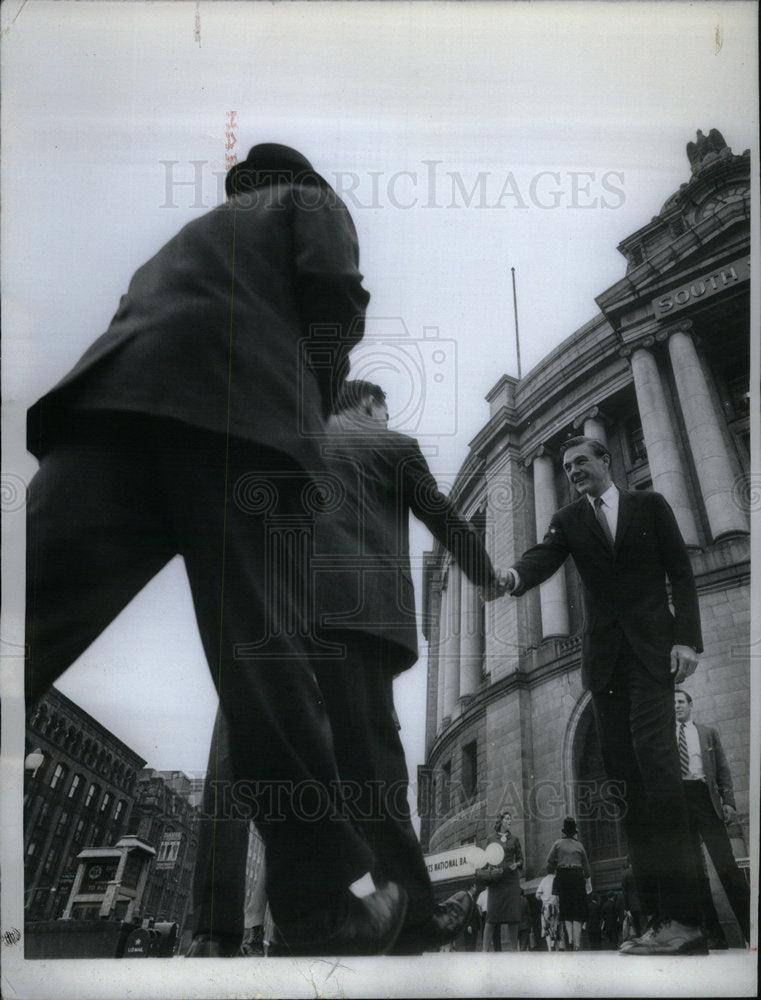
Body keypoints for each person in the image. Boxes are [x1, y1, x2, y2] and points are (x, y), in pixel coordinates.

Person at [23, 143, 412, 956]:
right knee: (268, 667)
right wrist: (313, 388)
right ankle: (320, 906)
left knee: (21, 630)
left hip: (107, 412)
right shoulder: (309, 204)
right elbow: (334, 295)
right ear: (297, 178)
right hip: (246, 430)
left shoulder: (183, 241)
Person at [193, 379, 505, 956]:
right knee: (375, 773)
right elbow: (446, 520)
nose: (387, 417)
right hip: (355, 622)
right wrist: (489, 577)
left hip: (269, 618)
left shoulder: (285, 434)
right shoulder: (391, 446)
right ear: (368, 404)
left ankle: (211, 929)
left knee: (244, 767)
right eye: (384, 409)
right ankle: (414, 917)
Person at [502, 436, 706, 955]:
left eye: (580, 463)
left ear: (605, 461)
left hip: (652, 654)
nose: (572, 472)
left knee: (659, 771)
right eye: (566, 466)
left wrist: (686, 638)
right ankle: (659, 918)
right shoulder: (569, 519)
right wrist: (511, 576)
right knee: (628, 786)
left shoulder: (649, 503)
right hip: (605, 665)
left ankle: (687, 918)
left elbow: (679, 571)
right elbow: (542, 558)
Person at [674, 688, 750, 947]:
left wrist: (728, 802)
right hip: (680, 801)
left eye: (681, 701)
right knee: (694, 871)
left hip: (705, 797)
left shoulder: (707, 733)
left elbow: (723, 770)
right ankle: (714, 935)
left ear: (690, 705)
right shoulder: (665, 737)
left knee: (726, 864)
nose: (676, 706)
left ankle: (751, 929)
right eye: (672, 703)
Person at [480, 811, 524, 952]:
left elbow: (521, 859)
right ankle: (484, 950)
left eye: (510, 819)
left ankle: (513, 951)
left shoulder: (515, 839)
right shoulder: (491, 839)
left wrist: (516, 864)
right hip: (496, 881)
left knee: (513, 916)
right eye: (507, 819)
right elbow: (486, 860)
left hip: (511, 880)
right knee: (492, 916)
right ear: (500, 821)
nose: (509, 821)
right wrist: (490, 868)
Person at [545, 816, 591, 951]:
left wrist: (555, 868)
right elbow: (586, 868)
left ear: (564, 831)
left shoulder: (557, 844)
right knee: (578, 911)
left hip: (563, 877)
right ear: (574, 831)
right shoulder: (579, 845)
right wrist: (587, 879)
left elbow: (549, 861)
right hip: (577, 877)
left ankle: (569, 938)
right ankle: (577, 943)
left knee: (566, 909)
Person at [535, 872, 561, 951]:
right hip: (556, 906)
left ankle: (549, 948)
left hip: (546, 907)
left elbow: (537, 895)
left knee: (547, 928)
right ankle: (557, 948)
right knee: (556, 927)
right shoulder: (557, 879)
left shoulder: (544, 880)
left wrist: (544, 898)